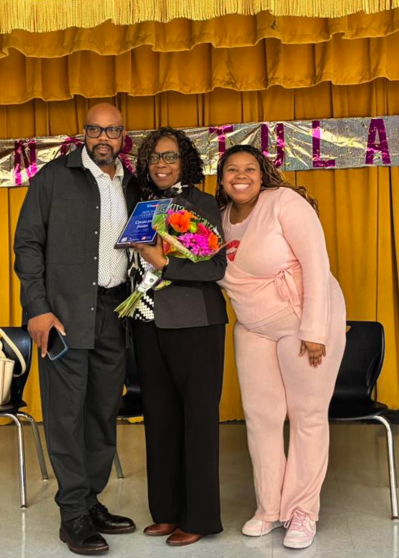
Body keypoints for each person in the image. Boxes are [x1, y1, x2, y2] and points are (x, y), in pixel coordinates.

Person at [13, 103, 138, 556]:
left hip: (114, 310)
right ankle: (73, 515)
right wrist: (38, 308)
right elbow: (27, 245)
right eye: (95, 130)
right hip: (63, 316)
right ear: (83, 133)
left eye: (113, 131)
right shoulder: (53, 179)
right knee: (66, 414)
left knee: (103, 411)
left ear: (124, 136)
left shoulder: (132, 181)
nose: (103, 137)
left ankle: (91, 500)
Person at [215, 144, 346, 550]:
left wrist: (315, 329)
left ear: (262, 173)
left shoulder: (284, 202)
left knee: (306, 415)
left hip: (303, 322)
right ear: (220, 179)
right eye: (232, 169)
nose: (241, 175)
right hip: (252, 327)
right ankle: (270, 509)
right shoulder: (218, 221)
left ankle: (303, 512)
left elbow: (316, 263)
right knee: (262, 420)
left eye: (249, 168)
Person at [126, 127, 228, 547]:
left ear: (185, 160)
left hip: (196, 326)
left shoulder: (199, 204)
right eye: (154, 158)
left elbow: (214, 268)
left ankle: (200, 517)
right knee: (161, 419)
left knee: (198, 422)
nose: (161, 164)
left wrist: (165, 266)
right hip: (146, 323)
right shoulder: (142, 206)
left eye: (170, 156)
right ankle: (166, 512)